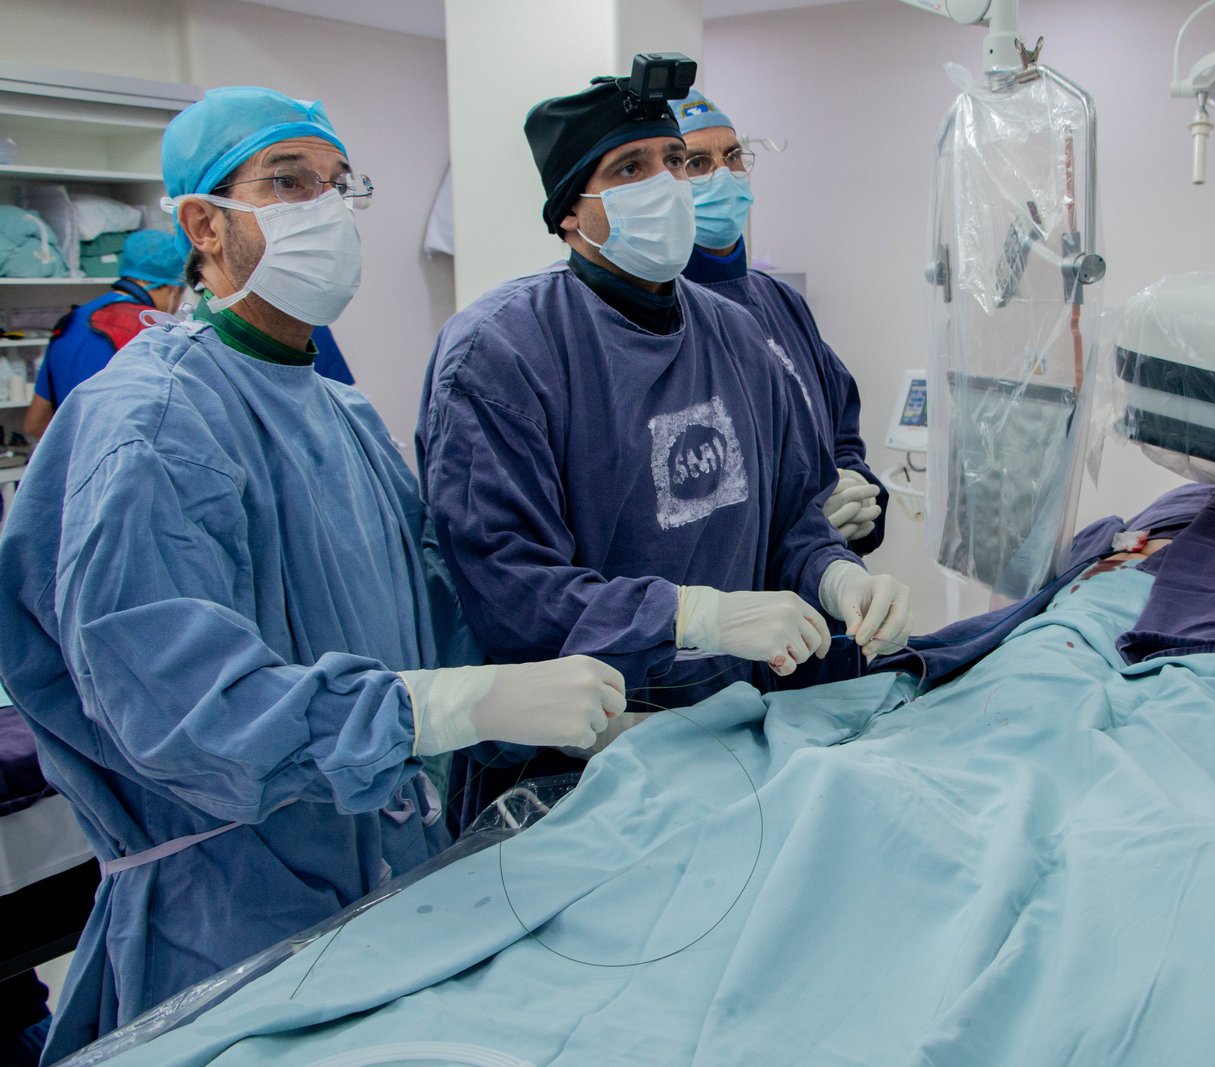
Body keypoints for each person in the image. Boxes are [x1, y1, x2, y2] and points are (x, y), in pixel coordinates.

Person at [0, 85, 627, 1063]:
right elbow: (182, 712)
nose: (326, 209)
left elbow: (436, 621)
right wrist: (439, 708)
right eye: (289, 183)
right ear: (204, 224)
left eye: (339, 184)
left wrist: (547, 709)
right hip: (231, 923)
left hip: (393, 885)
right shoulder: (151, 425)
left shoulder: (340, 414)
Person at [417, 67, 914, 830]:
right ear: (570, 214)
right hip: (577, 769)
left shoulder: (735, 334)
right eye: (630, 169)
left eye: (676, 162)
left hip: (732, 738)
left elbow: (792, 522)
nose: (669, 185)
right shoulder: (501, 356)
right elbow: (511, 594)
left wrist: (838, 577)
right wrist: (696, 617)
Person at [675, 89, 887, 557]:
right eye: (697, 163)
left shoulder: (780, 302)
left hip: (822, 577)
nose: (724, 175)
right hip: (738, 587)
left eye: (733, 157)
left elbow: (839, 425)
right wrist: (795, 528)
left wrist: (856, 490)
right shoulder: (663, 318)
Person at [23, 229, 186, 438]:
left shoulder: (70, 321)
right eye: (181, 292)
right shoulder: (151, 328)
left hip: (74, 456)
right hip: (124, 455)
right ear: (171, 287)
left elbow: (35, 424)